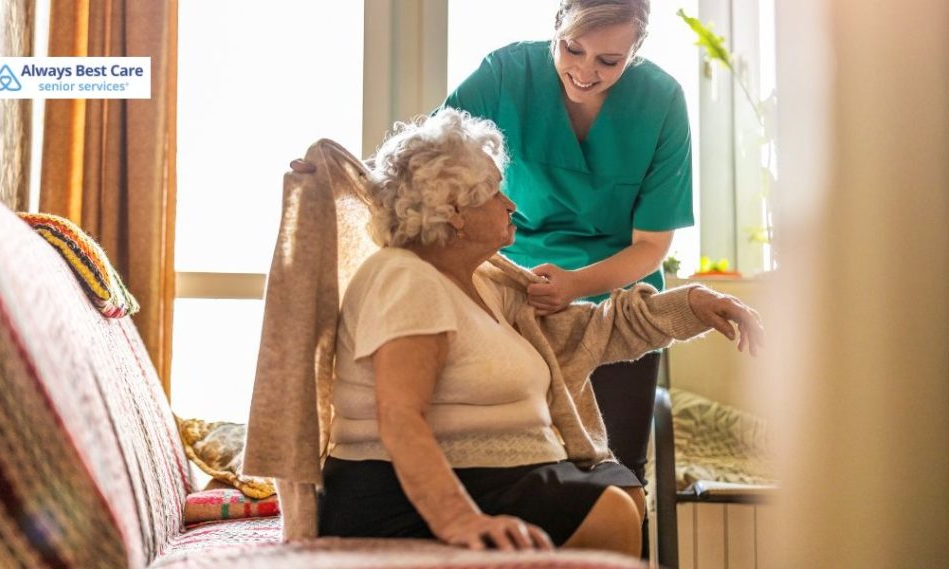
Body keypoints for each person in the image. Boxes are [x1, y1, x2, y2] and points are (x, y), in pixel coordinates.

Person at [313, 108, 762, 556]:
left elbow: (597, 329)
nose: (510, 204)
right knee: (610, 511)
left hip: (495, 474)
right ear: (453, 211)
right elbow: (399, 415)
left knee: (621, 494)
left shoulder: (489, 285)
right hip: (398, 493)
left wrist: (695, 304)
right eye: (493, 192)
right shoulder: (405, 277)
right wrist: (458, 518)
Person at [442, 0, 690, 492]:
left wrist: (577, 285)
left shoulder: (662, 101)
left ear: (635, 49)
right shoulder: (504, 73)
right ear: (556, 26)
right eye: (573, 49)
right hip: (511, 295)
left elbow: (651, 245)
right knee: (510, 474)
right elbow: (429, 157)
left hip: (618, 304)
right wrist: (333, 174)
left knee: (618, 476)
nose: (584, 71)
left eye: (608, 61)